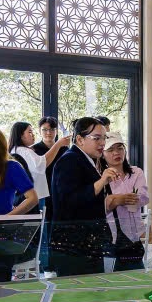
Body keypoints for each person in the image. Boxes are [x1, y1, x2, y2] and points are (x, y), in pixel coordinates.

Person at [48, 117, 117, 276]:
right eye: (97, 138)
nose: (102, 143)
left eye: (104, 138)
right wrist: (101, 182)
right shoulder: (69, 160)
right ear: (80, 139)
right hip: (73, 245)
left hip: (86, 243)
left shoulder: (85, 159)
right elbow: (69, 200)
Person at [103, 133, 149, 271]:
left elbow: (143, 198)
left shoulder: (136, 172)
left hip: (133, 237)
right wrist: (118, 200)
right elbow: (102, 206)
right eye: (111, 150)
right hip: (111, 237)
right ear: (103, 154)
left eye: (120, 148)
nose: (116, 153)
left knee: (137, 275)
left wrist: (117, 199)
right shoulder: (101, 177)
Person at [8, 122, 51, 209]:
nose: (33, 135)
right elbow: (42, 165)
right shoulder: (24, 151)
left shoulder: (14, 150)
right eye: (30, 132)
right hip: (35, 196)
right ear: (21, 135)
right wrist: (58, 144)